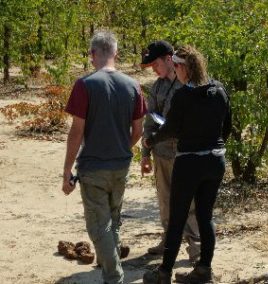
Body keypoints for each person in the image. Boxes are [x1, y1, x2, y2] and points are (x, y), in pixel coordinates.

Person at [61, 31, 146, 284]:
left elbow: (76, 132)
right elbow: (138, 130)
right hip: (121, 165)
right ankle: (108, 265)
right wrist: (121, 146)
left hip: (94, 167)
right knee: (113, 220)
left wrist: (66, 171)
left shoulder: (85, 85)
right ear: (116, 54)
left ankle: (113, 276)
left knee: (99, 226)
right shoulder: (133, 85)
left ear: (92, 55)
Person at [142, 45, 232, 284]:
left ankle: (163, 274)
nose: (176, 71)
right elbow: (227, 126)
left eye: (177, 66)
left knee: (177, 218)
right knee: (205, 217)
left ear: (183, 67)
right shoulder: (219, 90)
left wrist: (152, 140)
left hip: (189, 162)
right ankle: (204, 269)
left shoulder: (183, 96)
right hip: (215, 161)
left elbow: (170, 129)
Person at [140, 40, 200, 261]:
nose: (154, 70)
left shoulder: (190, 83)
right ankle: (168, 241)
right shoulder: (157, 86)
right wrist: (145, 154)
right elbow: (149, 122)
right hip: (162, 153)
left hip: (186, 153)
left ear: (169, 59)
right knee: (165, 200)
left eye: (155, 64)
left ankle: (196, 247)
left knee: (190, 202)